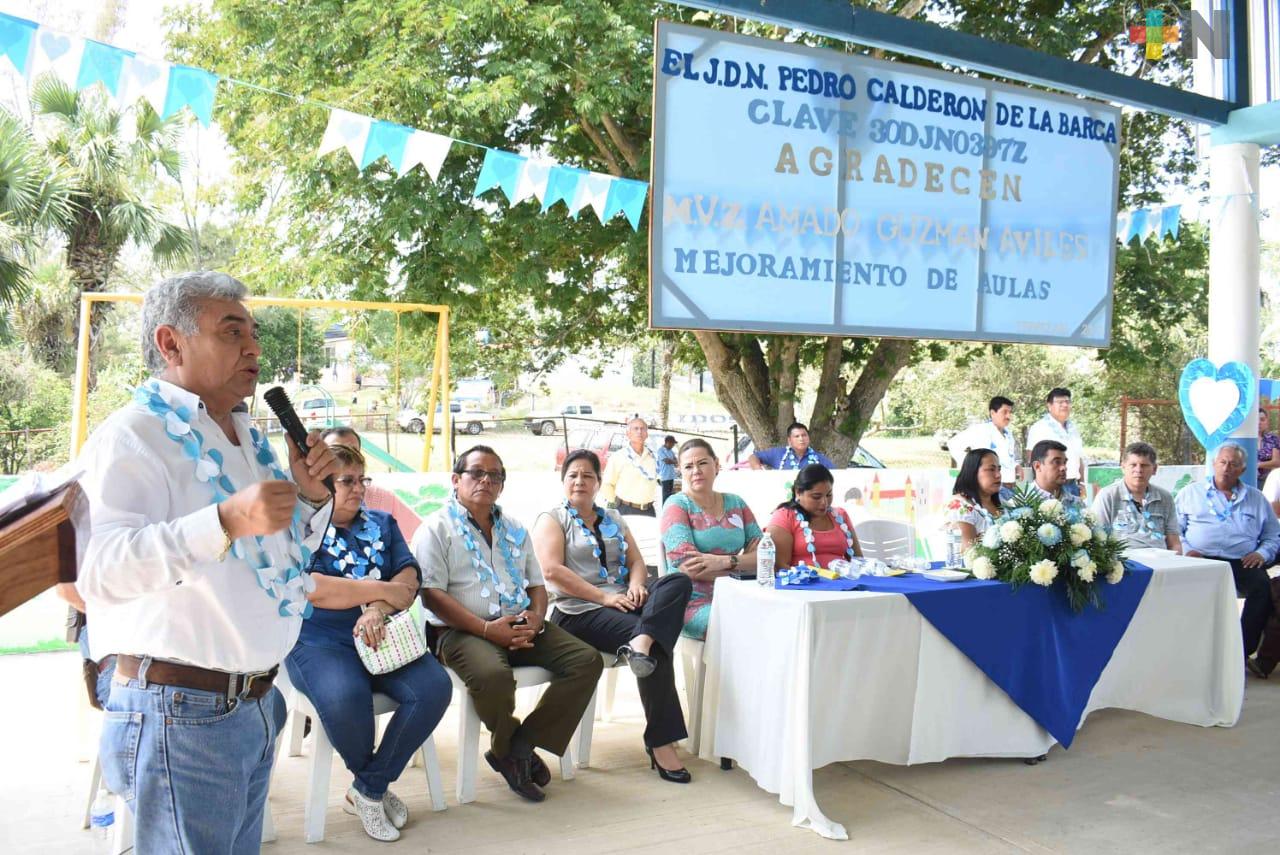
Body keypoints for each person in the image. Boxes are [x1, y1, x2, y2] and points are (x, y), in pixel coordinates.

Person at [76, 271, 339, 853]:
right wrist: (222, 521)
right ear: (172, 344)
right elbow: (100, 574)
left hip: (256, 703)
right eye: (232, 331)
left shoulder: (246, 437)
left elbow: (281, 556)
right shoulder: (133, 435)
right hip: (180, 713)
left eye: (253, 332)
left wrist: (311, 497)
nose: (254, 348)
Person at [413, 445, 603, 803]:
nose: (486, 480)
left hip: (519, 622)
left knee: (586, 661)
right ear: (456, 480)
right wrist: (487, 630)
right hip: (460, 631)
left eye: (495, 475)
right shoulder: (435, 529)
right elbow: (432, 596)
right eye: (476, 473)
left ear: (502, 485)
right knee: (493, 676)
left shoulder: (514, 528)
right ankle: (512, 749)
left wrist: (535, 618)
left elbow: (537, 586)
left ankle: (518, 747)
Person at [285, 443, 450, 840]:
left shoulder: (383, 522)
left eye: (362, 480)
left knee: (434, 687)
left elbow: (408, 575)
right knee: (345, 699)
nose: (359, 489)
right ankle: (373, 786)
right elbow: (317, 589)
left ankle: (367, 788)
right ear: (322, 484)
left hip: (385, 635)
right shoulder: (303, 527)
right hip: (322, 641)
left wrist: (376, 607)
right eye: (347, 481)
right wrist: (380, 590)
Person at [533, 450, 694, 783]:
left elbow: (636, 561)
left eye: (587, 475)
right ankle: (661, 743)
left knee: (677, 581)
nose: (580, 481)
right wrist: (603, 596)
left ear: (598, 482)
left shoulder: (613, 519)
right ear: (563, 481)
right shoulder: (552, 518)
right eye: (572, 475)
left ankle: (641, 640)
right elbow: (551, 570)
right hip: (577, 611)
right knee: (657, 646)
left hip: (622, 602)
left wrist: (635, 586)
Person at [1176, 443, 1280, 673]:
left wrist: (1262, 553)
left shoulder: (1256, 498)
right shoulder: (1190, 493)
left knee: (1262, 588)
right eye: (1222, 462)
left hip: (1242, 560)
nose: (1226, 468)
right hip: (1199, 559)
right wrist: (1186, 550)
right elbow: (1175, 530)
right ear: (1213, 464)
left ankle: (1239, 653)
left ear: (1242, 470)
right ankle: (1189, 652)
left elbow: (1273, 535)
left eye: (1233, 464)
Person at [661, 439, 762, 640]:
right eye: (688, 466)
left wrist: (723, 561)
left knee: (778, 619)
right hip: (692, 602)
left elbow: (766, 557)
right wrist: (745, 566)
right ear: (680, 471)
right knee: (747, 627)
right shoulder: (677, 506)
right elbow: (691, 568)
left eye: (702, 463)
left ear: (716, 464)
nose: (696, 470)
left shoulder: (736, 502)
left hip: (741, 596)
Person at [323, 426, 422, 540]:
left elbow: (417, 536)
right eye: (336, 453)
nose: (347, 460)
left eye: (354, 453)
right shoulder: (307, 513)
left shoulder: (383, 499)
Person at [766, 463, 862, 568]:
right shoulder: (785, 516)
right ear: (798, 492)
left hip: (845, 582)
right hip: (802, 583)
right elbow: (780, 566)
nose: (824, 502)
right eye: (816, 497)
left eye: (829, 495)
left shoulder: (841, 516)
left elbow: (858, 560)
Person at [1091, 442, 1181, 552]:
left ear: (1155, 469)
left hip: (1161, 561)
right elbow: (1097, 540)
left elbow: (1174, 543)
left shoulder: (1165, 497)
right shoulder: (1108, 496)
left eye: (1144, 465)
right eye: (1133, 465)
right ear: (1123, 467)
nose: (1138, 470)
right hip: (1122, 564)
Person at [948, 396, 1021, 487]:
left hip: (1009, 485)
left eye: (1010, 412)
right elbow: (953, 444)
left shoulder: (1008, 434)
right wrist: (970, 466)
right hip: (988, 485)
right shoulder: (981, 430)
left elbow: (1008, 458)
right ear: (993, 413)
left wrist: (1016, 466)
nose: (1008, 416)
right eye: (1004, 412)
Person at [1025, 388, 1086, 497]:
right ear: (1049, 406)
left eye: (1067, 402)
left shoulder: (1074, 429)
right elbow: (1032, 457)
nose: (1065, 405)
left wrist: (1082, 483)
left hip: (1073, 485)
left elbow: (1079, 458)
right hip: (1050, 486)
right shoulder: (1040, 428)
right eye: (1060, 402)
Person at [943, 449, 1007, 551]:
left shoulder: (1004, 502)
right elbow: (969, 552)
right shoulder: (960, 507)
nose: (998, 475)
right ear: (972, 472)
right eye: (991, 469)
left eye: (999, 469)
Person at [601, 417, 660, 516]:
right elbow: (607, 484)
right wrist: (617, 504)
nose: (639, 432)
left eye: (642, 429)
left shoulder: (653, 457)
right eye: (635, 429)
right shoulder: (618, 456)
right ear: (628, 434)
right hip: (625, 509)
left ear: (647, 434)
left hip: (649, 510)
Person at [747, 421, 836, 470]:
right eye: (797, 436)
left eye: (804, 435)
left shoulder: (819, 459)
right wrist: (757, 469)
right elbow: (753, 456)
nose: (801, 439)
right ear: (789, 440)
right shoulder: (778, 454)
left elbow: (835, 475)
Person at [1028, 439, 1085, 513]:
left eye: (1064, 462)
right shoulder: (1020, 504)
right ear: (1037, 466)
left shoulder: (1077, 504)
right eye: (1057, 462)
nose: (1064, 467)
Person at [1257, 408, 1280, 488]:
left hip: (1267, 481)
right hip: (1246, 479)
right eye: (1256, 420)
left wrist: (1258, 465)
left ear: (1267, 422)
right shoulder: (1246, 440)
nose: (1259, 423)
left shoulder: (1273, 438)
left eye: (1262, 420)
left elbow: (1277, 462)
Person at [656, 434, 678, 505]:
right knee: (665, 496)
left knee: (670, 496)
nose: (673, 445)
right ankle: (665, 512)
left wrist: (674, 461)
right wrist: (674, 461)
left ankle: (669, 511)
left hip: (671, 476)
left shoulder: (671, 451)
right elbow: (667, 461)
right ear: (667, 442)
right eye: (672, 444)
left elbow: (675, 461)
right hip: (665, 477)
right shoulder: (660, 450)